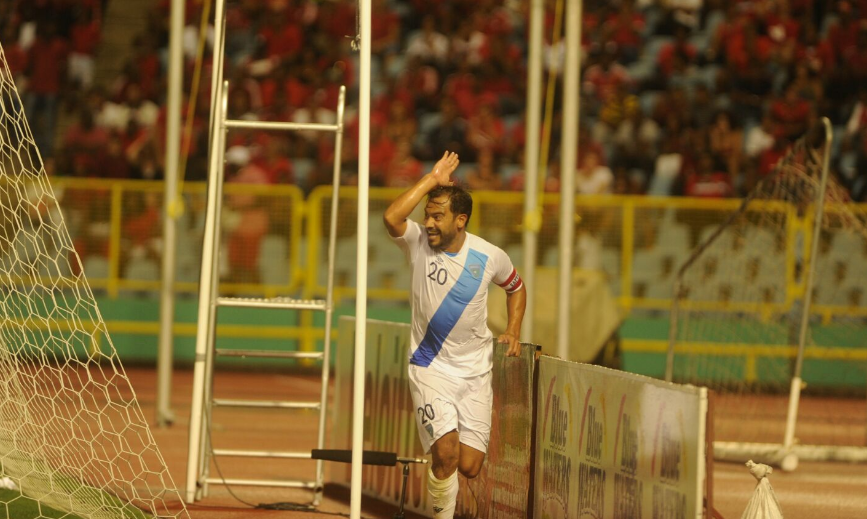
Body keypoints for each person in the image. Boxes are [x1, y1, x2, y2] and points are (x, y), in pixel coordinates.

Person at [383, 151, 526, 519]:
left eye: (437, 216)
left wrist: (513, 329)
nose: (428, 222)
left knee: (469, 465)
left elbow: (516, 287)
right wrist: (432, 180)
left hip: (476, 371)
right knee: (445, 453)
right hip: (429, 366)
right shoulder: (416, 243)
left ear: (460, 220)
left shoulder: (489, 256)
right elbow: (392, 216)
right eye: (428, 215)